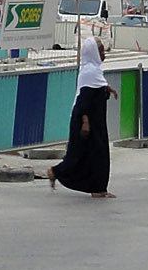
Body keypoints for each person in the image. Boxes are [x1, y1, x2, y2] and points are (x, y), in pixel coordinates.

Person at [48, 34, 116, 198]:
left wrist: (108, 88)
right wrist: (85, 123)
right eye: (100, 51)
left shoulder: (93, 71)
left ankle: (98, 188)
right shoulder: (90, 72)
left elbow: (97, 88)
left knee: (95, 155)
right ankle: (55, 171)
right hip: (86, 122)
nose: (103, 54)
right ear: (93, 53)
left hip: (95, 121)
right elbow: (83, 101)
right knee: (78, 155)